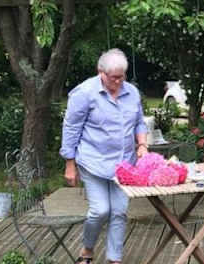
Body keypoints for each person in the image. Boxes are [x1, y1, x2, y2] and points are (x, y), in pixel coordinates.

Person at [60, 48, 148, 264]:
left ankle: (114, 259)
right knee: (100, 211)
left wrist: (142, 144)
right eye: (113, 77)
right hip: (94, 162)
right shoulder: (84, 93)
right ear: (101, 72)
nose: (118, 81)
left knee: (119, 211)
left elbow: (139, 122)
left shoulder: (132, 93)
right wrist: (69, 164)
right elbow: (71, 128)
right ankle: (87, 250)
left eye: (122, 77)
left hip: (124, 164)